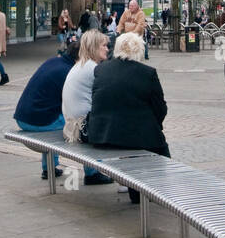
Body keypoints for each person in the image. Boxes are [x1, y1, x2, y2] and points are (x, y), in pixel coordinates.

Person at [83, 32, 168, 204]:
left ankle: (137, 192)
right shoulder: (147, 73)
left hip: (102, 135)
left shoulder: (101, 69)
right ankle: (150, 192)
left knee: (138, 136)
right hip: (134, 137)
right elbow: (161, 109)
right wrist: (155, 126)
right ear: (140, 51)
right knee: (159, 147)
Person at [14, 34, 80, 180]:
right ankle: (93, 172)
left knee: (52, 115)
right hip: (37, 121)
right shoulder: (69, 72)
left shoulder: (54, 61)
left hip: (23, 116)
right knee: (81, 124)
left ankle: (49, 168)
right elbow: (75, 105)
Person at [60, 29, 113, 185]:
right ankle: (127, 178)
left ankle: (93, 172)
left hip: (72, 126)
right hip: (80, 129)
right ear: (94, 46)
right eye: (104, 45)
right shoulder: (92, 68)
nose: (107, 49)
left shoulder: (81, 65)